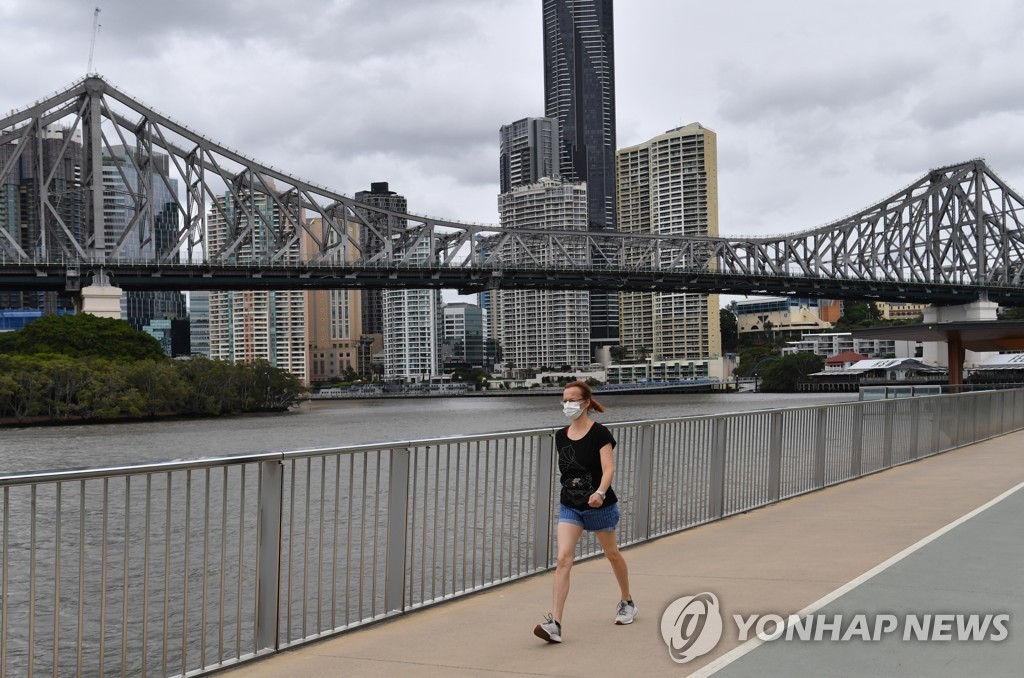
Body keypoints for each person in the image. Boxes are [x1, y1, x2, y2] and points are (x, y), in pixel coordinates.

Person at [533, 381, 637, 644]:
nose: (568, 405)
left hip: (599, 504)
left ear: (586, 403)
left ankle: (627, 601)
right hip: (570, 504)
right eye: (564, 400)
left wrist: (600, 492)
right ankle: (555, 623)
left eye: (573, 400)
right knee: (563, 559)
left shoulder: (600, 433)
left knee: (612, 554)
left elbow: (608, 469)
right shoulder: (560, 435)